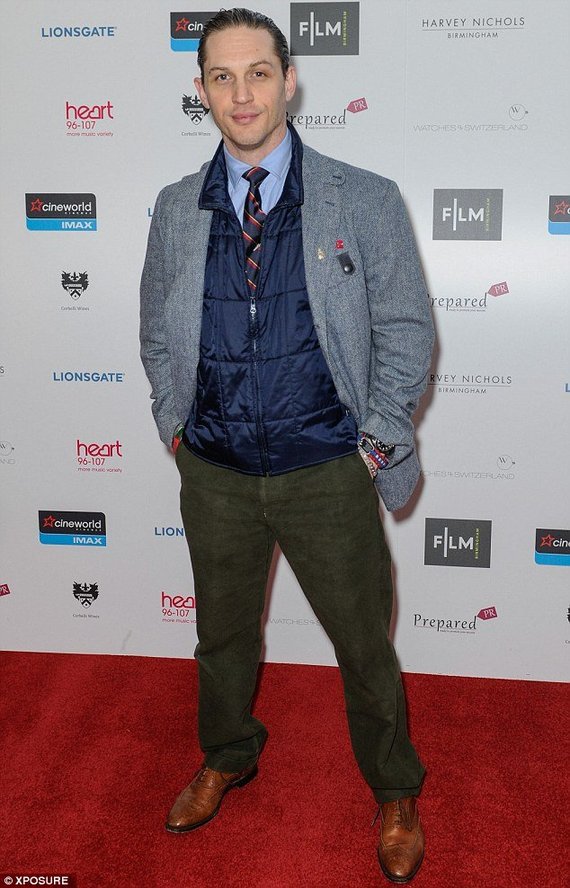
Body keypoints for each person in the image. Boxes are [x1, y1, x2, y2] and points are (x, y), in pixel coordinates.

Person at [140, 8, 434, 883]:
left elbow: (406, 330)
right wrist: (176, 426)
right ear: (201, 91)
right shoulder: (176, 208)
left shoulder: (363, 197)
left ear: (289, 80)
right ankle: (228, 755)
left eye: (258, 73)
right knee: (222, 638)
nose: (242, 94)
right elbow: (156, 332)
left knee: (363, 644)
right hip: (216, 471)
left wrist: (374, 441)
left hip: (327, 468)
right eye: (222, 77)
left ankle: (395, 788)